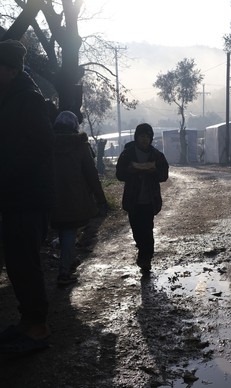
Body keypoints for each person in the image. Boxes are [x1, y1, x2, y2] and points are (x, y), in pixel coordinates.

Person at [0, 39, 54, 352]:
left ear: (8, 70)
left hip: (29, 197)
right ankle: (27, 321)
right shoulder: (11, 96)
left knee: (25, 263)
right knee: (17, 264)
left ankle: (38, 327)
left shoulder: (28, 99)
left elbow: (41, 144)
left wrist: (7, 172)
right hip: (15, 196)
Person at [51, 111, 108, 286]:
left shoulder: (46, 144)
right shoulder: (80, 145)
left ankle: (69, 259)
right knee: (69, 230)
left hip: (50, 196)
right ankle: (64, 273)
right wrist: (101, 199)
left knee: (62, 229)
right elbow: (91, 174)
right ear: (75, 126)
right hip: (75, 196)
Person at [116, 123, 169, 273]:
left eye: (147, 136)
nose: (144, 139)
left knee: (147, 229)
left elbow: (164, 175)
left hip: (149, 199)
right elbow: (119, 175)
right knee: (136, 230)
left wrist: (154, 171)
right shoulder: (127, 154)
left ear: (151, 138)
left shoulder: (157, 156)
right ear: (136, 137)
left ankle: (146, 259)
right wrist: (130, 171)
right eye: (141, 136)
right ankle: (142, 251)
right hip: (133, 200)